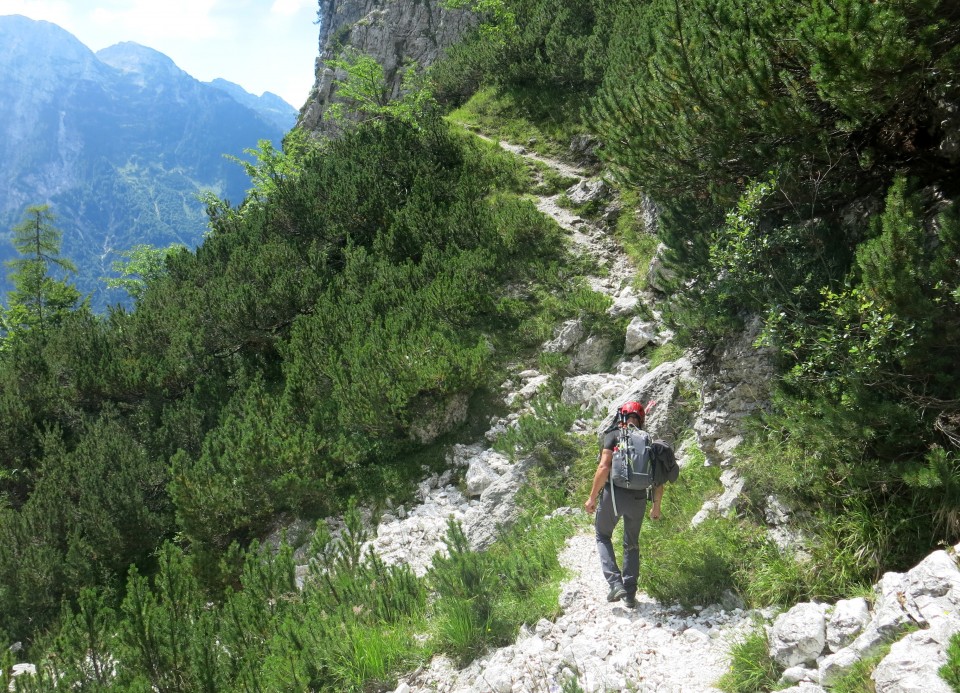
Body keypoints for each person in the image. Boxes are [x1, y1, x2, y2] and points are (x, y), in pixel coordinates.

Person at [583, 400, 665, 609]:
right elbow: (658, 478)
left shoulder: (613, 435)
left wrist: (592, 497)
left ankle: (615, 583)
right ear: (641, 419)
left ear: (621, 417)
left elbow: (604, 467)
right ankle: (630, 594)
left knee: (603, 535)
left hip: (614, 495)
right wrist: (656, 506)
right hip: (639, 499)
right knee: (632, 544)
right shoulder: (647, 440)